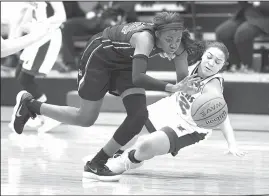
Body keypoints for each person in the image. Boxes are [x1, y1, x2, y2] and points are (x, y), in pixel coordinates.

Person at [10, 12, 201, 181]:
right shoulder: (144, 39)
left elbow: (182, 84)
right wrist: (171, 87)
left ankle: (96, 163)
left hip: (125, 63)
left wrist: (189, 91)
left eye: (177, 38)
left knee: (138, 115)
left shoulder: (180, 46)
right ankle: (31, 105)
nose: (174, 44)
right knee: (85, 118)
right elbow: (139, 77)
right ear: (157, 34)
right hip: (99, 58)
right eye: (169, 39)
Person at [102, 41, 247, 176]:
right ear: (203, 55)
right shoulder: (191, 65)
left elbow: (221, 115)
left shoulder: (213, 86)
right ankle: (109, 156)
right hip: (172, 106)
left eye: (217, 62)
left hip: (190, 126)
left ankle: (128, 161)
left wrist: (232, 144)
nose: (211, 63)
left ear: (222, 66)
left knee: (147, 145)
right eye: (209, 57)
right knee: (132, 124)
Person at [10, 2, 66, 132]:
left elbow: (61, 16)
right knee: (19, 75)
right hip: (36, 36)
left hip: (48, 37)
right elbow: (25, 15)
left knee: (25, 79)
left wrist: (42, 24)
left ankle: (50, 117)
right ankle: (36, 116)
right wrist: (16, 35)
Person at [215, 1, 269, 73]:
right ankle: (235, 66)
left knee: (243, 33)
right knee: (223, 32)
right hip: (247, 15)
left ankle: (247, 68)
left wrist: (257, 2)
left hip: (268, 17)